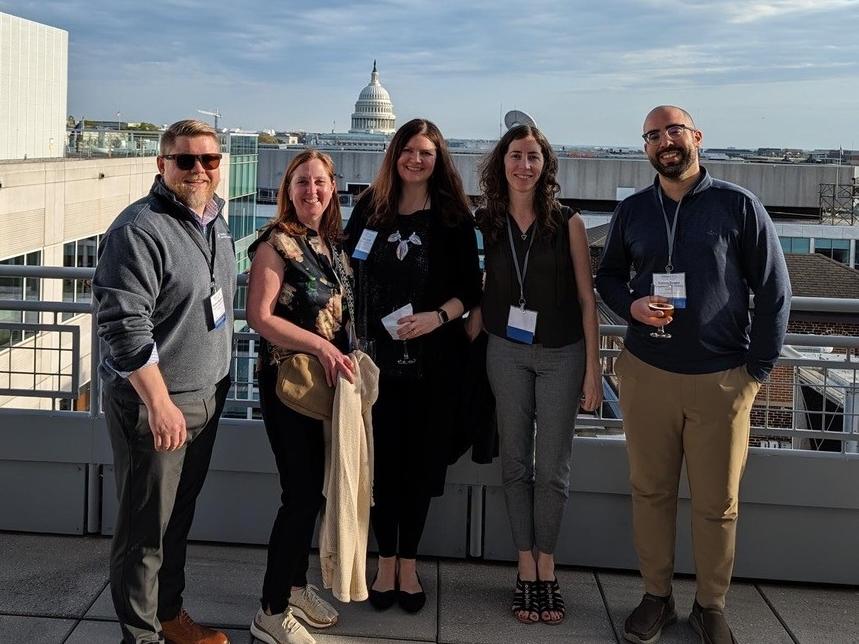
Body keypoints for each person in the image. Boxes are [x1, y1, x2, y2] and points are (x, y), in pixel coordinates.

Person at [596, 106, 791, 644]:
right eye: (653, 136)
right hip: (645, 373)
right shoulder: (633, 211)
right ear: (646, 148)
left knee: (717, 505)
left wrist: (757, 373)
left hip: (721, 379)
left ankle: (711, 605)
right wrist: (631, 306)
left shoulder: (738, 205)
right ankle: (656, 596)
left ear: (696, 137)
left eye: (673, 131)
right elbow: (608, 277)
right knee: (650, 492)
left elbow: (776, 292)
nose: (665, 142)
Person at [93, 119, 235, 644]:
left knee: (176, 521)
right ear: (162, 164)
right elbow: (123, 326)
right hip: (160, 405)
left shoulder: (215, 220)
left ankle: (169, 615)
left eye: (210, 160)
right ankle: (142, 636)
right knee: (144, 533)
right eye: (186, 160)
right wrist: (158, 402)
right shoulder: (139, 229)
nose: (199, 169)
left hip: (206, 397)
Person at [343, 118, 482, 614]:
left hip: (433, 365)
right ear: (394, 154)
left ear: (438, 158)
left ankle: (409, 563)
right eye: (408, 150)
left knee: (419, 466)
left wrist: (437, 317)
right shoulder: (369, 209)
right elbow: (347, 273)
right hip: (375, 364)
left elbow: (471, 287)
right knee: (381, 466)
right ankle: (384, 561)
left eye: (426, 152)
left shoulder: (452, 216)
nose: (416, 160)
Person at [475, 124, 602, 626]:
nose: (523, 166)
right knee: (514, 465)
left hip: (562, 354)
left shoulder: (567, 221)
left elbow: (588, 299)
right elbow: (474, 283)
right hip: (505, 351)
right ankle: (523, 564)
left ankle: (546, 566)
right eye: (515, 156)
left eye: (533, 157)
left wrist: (594, 368)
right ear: (501, 163)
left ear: (544, 165)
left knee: (552, 468)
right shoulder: (486, 220)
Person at [246, 150, 354, 644]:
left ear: (333, 188)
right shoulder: (276, 244)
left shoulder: (329, 244)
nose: (311, 190)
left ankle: (294, 586)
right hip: (289, 385)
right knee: (301, 495)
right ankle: (270, 609)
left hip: (325, 388)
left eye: (320, 182)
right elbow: (260, 317)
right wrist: (321, 346)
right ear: (287, 189)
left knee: (313, 494)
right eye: (301, 182)